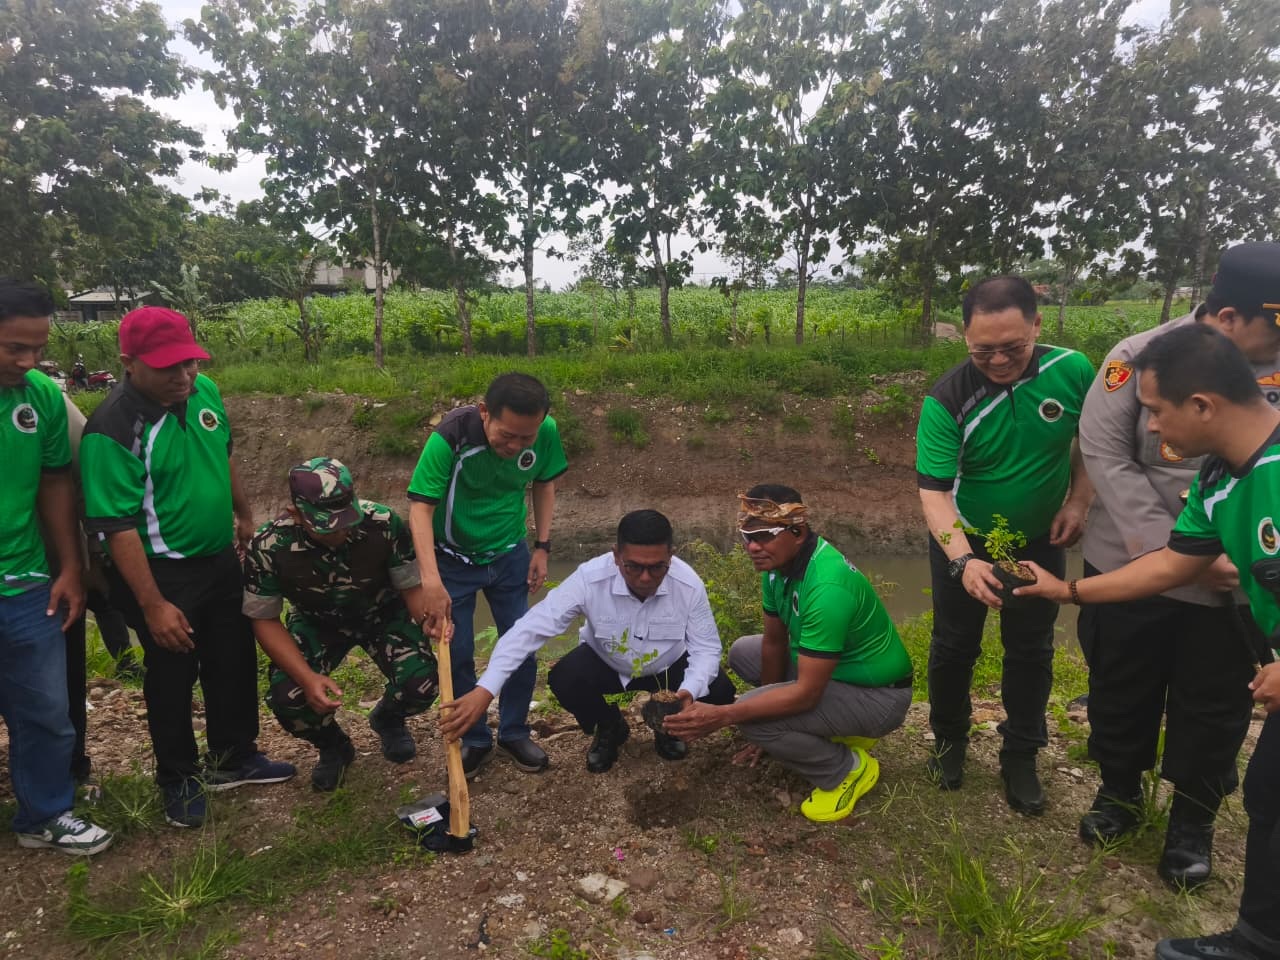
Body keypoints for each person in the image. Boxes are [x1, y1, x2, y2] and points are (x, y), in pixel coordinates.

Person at [1016, 323, 1280, 960]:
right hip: (1140, 583)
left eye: (1158, 412)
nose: (1153, 428)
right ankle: (1258, 937)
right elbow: (1169, 563)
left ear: (1202, 406)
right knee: (1269, 791)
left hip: (1236, 626)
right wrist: (1068, 593)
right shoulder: (1221, 479)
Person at [1075, 242, 1280, 889]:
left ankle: (1191, 823)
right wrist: (1178, 550)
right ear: (1226, 319)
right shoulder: (1137, 358)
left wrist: (1227, 553)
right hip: (1136, 558)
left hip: (1237, 582)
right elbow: (1105, 454)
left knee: (1215, 705)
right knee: (1120, 686)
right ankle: (1119, 792)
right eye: (1270, 328)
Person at [81, 307, 294, 828]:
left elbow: (223, 454)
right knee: (172, 672)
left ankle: (232, 756)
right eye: (167, 368)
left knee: (233, 655)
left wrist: (242, 513)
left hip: (218, 556)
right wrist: (153, 605)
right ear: (129, 364)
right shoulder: (112, 428)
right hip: (160, 571)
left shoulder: (205, 393)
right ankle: (178, 776)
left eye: (190, 364)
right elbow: (118, 526)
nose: (183, 377)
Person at [915, 275, 1094, 814]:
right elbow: (934, 495)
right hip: (965, 537)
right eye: (982, 350)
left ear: (1038, 325)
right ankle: (949, 743)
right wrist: (964, 560)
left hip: (1038, 540)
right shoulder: (947, 400)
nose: (998, 360)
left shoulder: (1074, 371)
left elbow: (1093, 443)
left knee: (1030, 651)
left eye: (1013, 347)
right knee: (954, 646)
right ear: (964, 339)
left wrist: (1079, 501)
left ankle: (1021, 755)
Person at [664, 486, 913, 824]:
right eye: (747, 536)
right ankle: (815, 730)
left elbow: (807, 693)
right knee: (744, 653)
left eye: (765, 535)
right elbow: (774, 643)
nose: (753, 546)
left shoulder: (826, 586)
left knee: (750, 717)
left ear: (798, 533)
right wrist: (766, 709)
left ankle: (847, 770)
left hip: (879, 696)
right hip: (836, 673)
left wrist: (729, 715)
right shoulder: (777, 568)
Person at [440, 510, 736, 772]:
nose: (645, 577)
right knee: (566, 678)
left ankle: (667, 728)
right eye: (633, 566)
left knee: (719, 689)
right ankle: (609, 726)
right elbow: (529, 630)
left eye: (657, 567)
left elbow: (706, 648)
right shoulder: (590, 578)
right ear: (616, 556)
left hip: (668, 668)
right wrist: (486, 689)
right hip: (607, 665)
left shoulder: (688, 584)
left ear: (670, 557)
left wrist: (687, 693)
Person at [243, 458, 438, 791]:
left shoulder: (383, 523)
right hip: (317, 622)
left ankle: (388, 718)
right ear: (295, 513)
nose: (340, 531)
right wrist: (307, 678)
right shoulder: (269, 546)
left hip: (383, 614)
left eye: (345, 521)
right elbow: (264, 620)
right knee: (289, 698)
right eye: (326, 525)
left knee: (422, 684)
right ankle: (333, 746)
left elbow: (410, 587)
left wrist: (429, 621)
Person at [0, 278, 112, 855]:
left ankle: (44, 813)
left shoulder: (38, 395)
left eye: (37, 348)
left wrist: (71, 566)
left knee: (46, 709)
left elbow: (54, 482)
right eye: (14, 348)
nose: (29, 361)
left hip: (23, 582)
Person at [408, 372, 567, 778]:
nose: (515, 447)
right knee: (458, 652)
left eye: (524, 439)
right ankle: (475, 738)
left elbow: (544, 484)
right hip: (453, 559)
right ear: (484, 413)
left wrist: (542, 547)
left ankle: (514, 730)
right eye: (506, 435)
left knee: (521, 643)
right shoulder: (451, 436)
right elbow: (420, 509)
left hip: (509, 554)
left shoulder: (543, 430)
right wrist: (431, 580)